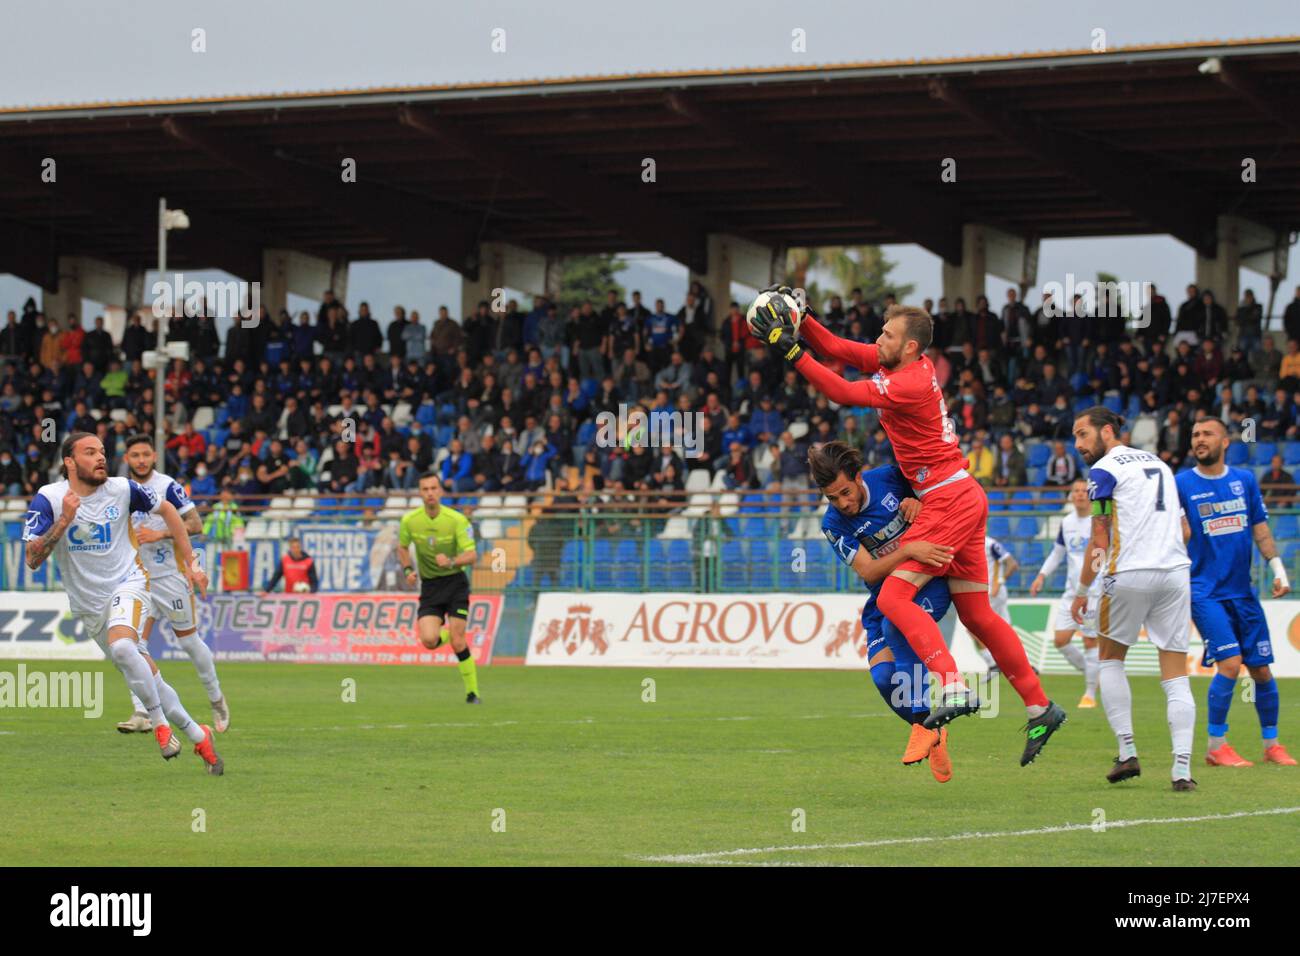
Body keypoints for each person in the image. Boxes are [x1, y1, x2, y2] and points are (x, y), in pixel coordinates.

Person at [750, 292, 1064, 764]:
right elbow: (839, 348)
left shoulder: (911, 382)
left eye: (888, 335)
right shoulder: (897, 366)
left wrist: (790, 350)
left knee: (895, 598)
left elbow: (841, 392)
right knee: (977, 615)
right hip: (961, 493)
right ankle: (1041, 706)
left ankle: (954, 686)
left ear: (912, 347)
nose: (878, 341)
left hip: (947, 497)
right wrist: (804, 320)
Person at [22, 431, 222, 773]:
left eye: (102, 451)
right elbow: (32, 558)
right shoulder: (50, 499)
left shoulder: (122, 489)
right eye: (89, 452)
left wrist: (192, 564)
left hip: (130, 582)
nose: (101, 457)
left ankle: (158, 724)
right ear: (69, 462)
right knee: (146, 673)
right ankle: (198, 734)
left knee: (124, 649)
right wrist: (64, 521)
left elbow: (171, 511)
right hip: (90, 605)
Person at [813, 442, 955, 782]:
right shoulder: (833, 524)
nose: (843, 503)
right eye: (833, 498)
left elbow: (942, 499)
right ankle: (933, 732)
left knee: (897, 627)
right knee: (883, 678)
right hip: (883, 595)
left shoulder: (891, 477)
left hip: (927, 581)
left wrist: (919, 502)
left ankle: (923, 726)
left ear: (858, 476)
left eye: (846, 492)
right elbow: (869, 571)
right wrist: (909, 547)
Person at [1072, 407, 1196, 790]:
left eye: (1082, 434)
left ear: (1107, 431)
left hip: (1128, 574)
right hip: (1175, 573)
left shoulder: (1105, 470)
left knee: (1110, 659)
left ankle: (1127, 752)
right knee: (1176, 675)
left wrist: (1081, 591)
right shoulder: (1161, 466)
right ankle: (1182, 770)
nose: (1078, 445)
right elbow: (1185, 530)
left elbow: (1099, 535)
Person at [1175, 418, 1296, 767]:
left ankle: (1271, 745)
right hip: (1204, 590)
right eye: (1194, 434)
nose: (1199, 439)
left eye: (1206, 434)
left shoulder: (1244, 480)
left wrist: (1277, 569)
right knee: (1229, 664)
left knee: (1261, 670)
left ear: (1225, 441)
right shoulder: (1181, 484)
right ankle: (1216, 745)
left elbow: (1260, 528)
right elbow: (1173, 534)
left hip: (1243, 592)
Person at [114, 434, 229, 734]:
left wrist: (161, 534)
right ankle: (142, 712)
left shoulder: (167, 486)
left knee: (189, 641)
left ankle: (216, 699)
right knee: (133, 645)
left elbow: (195, 524)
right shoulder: (120, 489)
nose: (141, 460)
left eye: (145, 454)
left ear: (154, 457)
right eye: (135, 455)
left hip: (170, 578)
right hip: (137, 579)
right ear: (126, 458)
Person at [396, 472, 482, 703]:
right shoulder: (410, 521)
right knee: (429, 641)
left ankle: (472, 693)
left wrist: (452, 561)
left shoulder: (456, 520)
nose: (430, 493)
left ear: (440, 491)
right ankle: (452, 635)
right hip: (431, 586)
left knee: (458, 641)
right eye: (425, 489)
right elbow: (402, 547)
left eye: (434, 488)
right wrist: (407, 570)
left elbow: (473, 555)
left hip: (455, 583)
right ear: (420, 493)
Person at [1029, 478, 1101, 707]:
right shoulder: (1067, 522)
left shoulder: (1099, 521)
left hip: (1093, 591)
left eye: (1083, 491)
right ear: (1071, 496)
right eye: (1076, 491)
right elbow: (1057, 553)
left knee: (1090, 641)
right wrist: (1041, 575)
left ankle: (1089, 694)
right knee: (1061, 640)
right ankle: (1092, 671)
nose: (1080, 494)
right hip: (1071, 592)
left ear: (1090, 494)